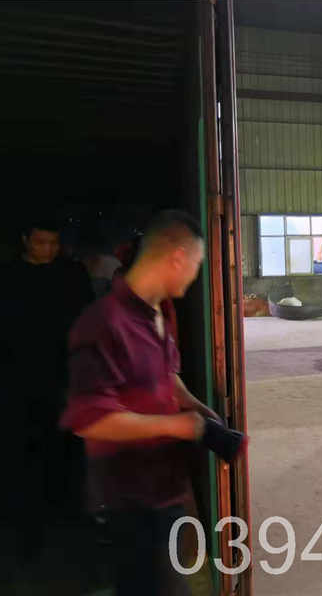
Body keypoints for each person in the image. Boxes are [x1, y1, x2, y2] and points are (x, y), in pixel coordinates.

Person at [60, 210, 218, 596]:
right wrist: (180, 422)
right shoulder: (109, 319)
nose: (193, 276)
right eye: (193, 264)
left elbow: (167, 375)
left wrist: (195, 408)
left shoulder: (154, 309)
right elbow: (93, 417)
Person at [0, 217, 94, 570]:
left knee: (67, 451)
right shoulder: (4, 277)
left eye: (53, 243)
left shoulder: (72, 275)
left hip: (65, 379)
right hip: (16, 382)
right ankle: (27, 530)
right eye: (40, 243)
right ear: (25, 240)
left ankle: (69, 523)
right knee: (22, 454)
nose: (48, 250)